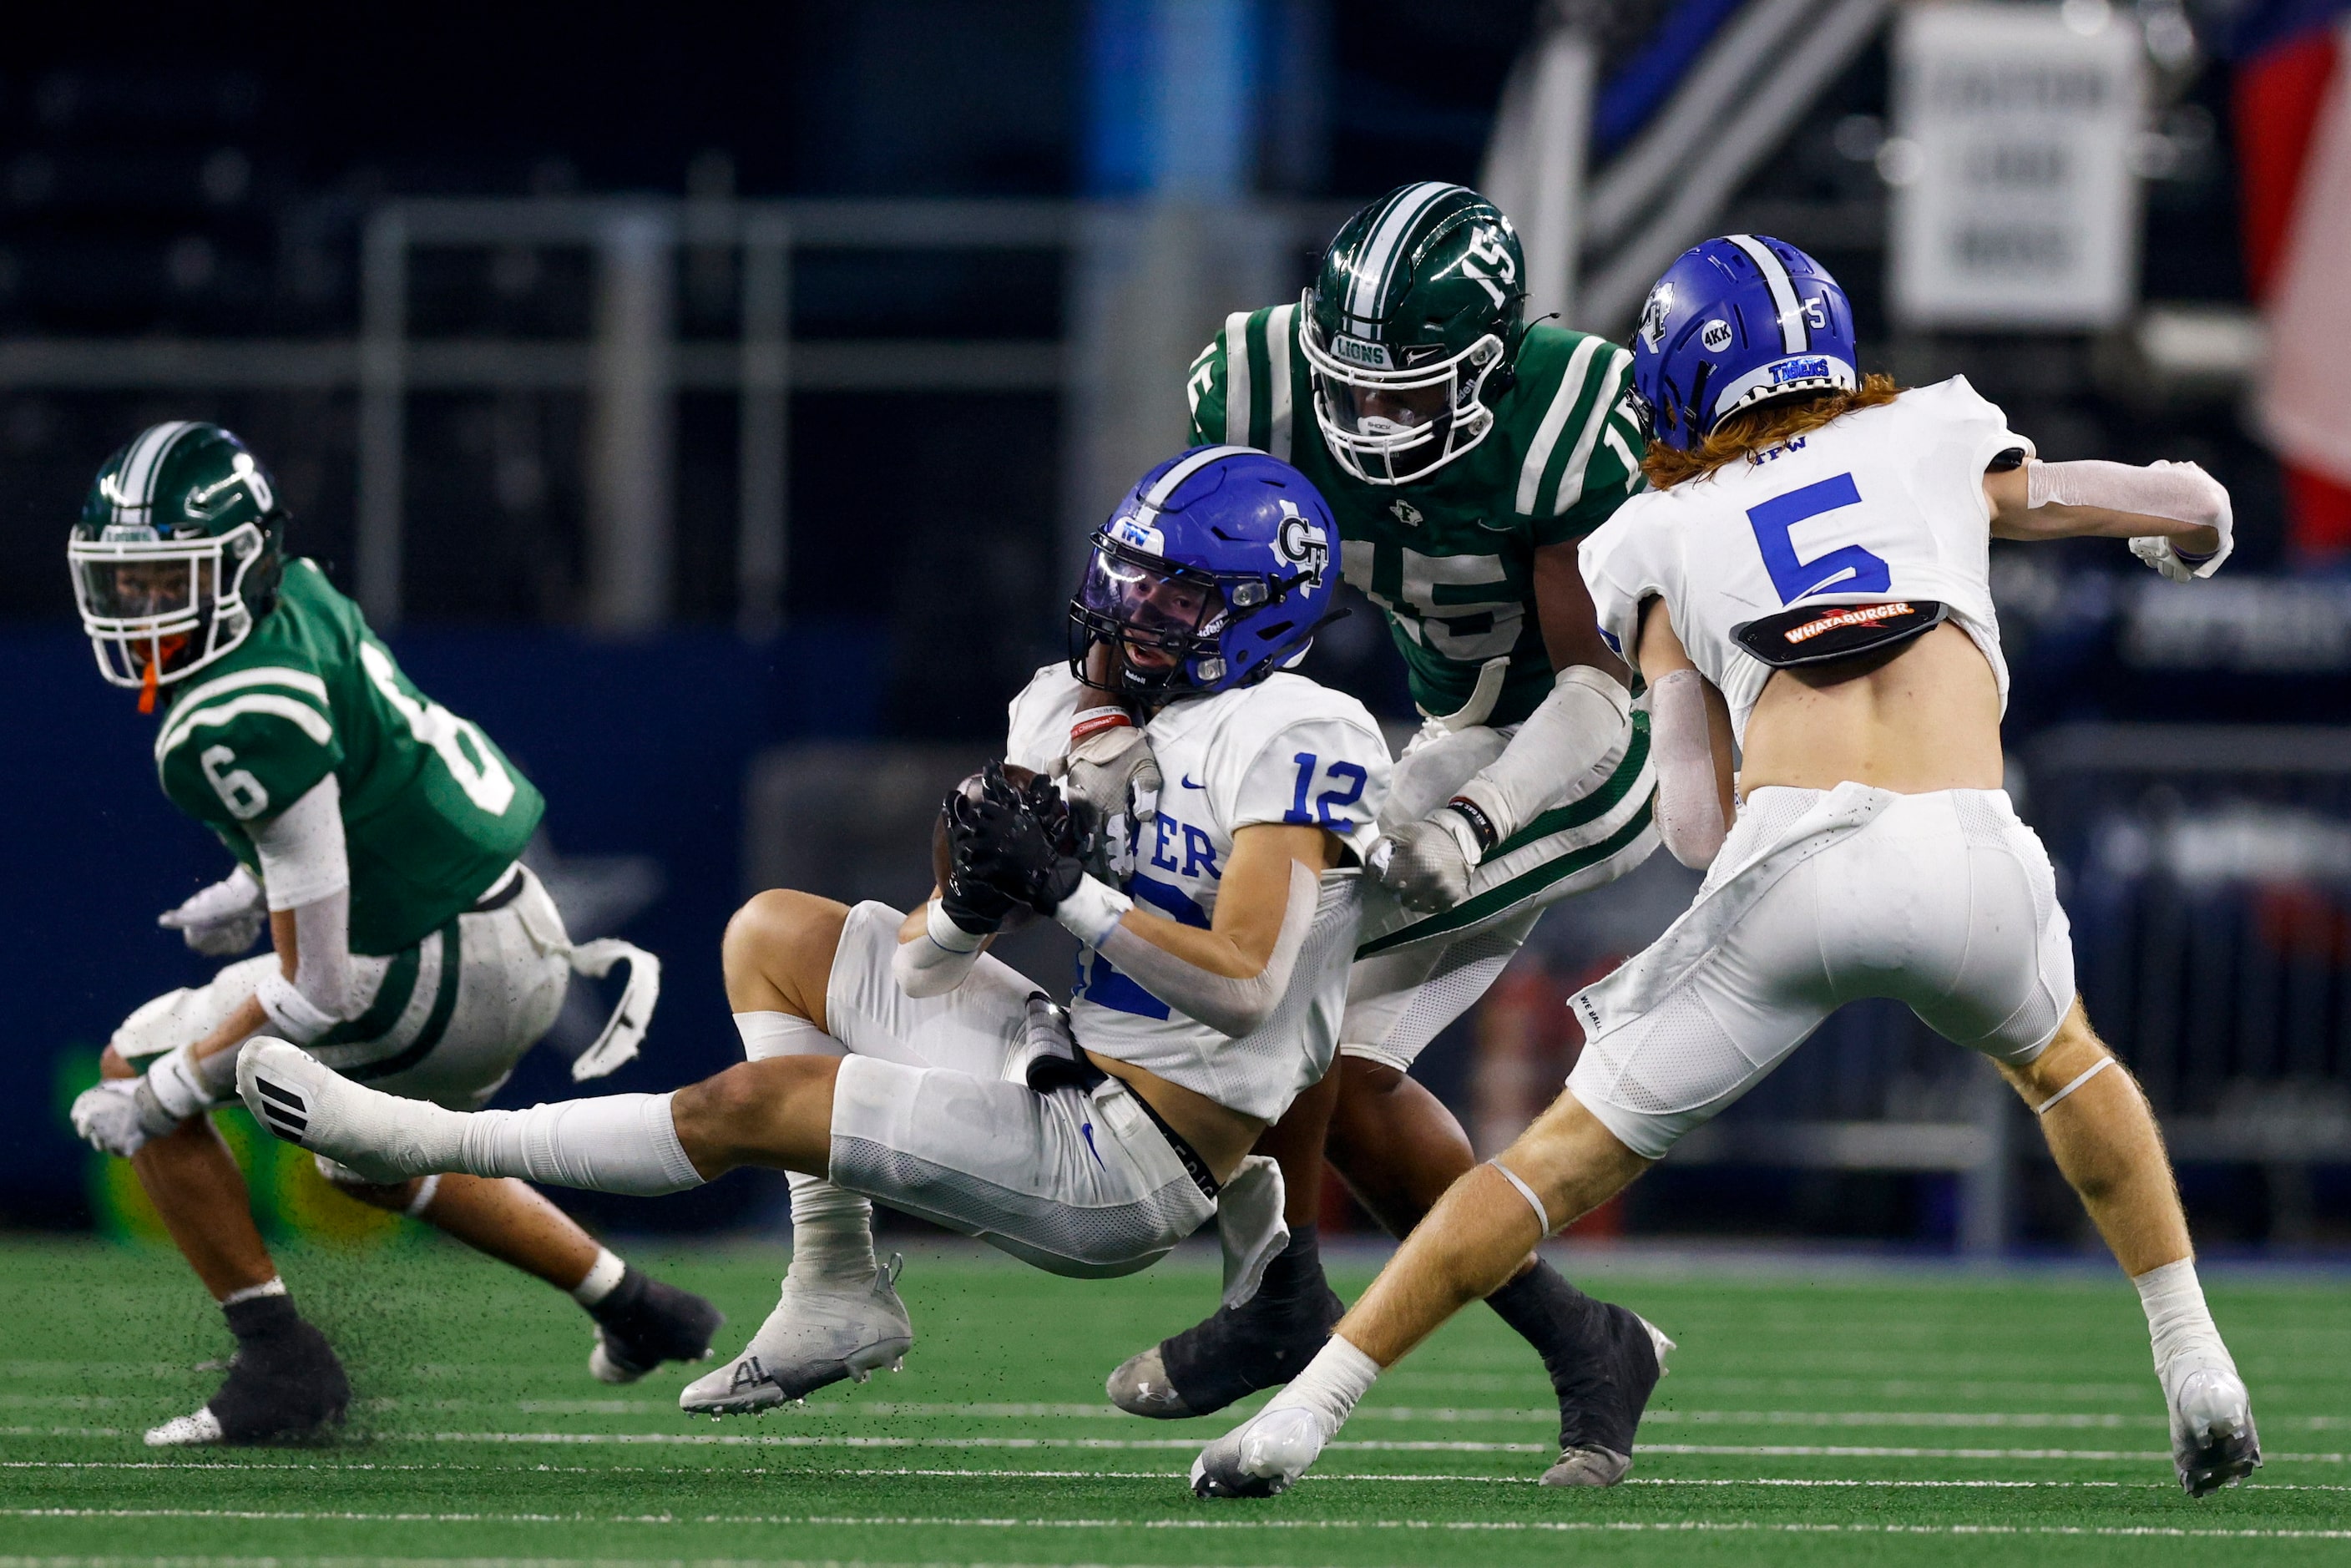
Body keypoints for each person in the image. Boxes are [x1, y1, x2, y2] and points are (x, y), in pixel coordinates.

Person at [1186, 235, 2261, 1500]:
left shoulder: (1654, 526)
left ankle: (1297, 1422)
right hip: (1970, 850)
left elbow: (1694, 821)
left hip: (1794, 864)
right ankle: (2200, 1369)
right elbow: (2164, 498)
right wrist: (2197, 523)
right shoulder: (1931, 428)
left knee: (1547, 1169)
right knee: (2070, 1070)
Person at [230, 446, 1396, 1415]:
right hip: (1075, 1060)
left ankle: (411, 1136)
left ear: (1262, 615)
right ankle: (837, 1282)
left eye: (1177, 599)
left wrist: (1071, 890)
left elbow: (1246, 984)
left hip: (1138, 1163)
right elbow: (926, 961)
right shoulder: (1068, 700)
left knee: (744, 1110)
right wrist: (982, 863)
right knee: (774, 933)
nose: (1136, 617)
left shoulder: (1297, 730)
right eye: (1129, 581)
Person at [1091, 181, 1666, 1486]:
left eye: (1411, 393)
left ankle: (1282, 1292)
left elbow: (1594, 685)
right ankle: (1587, 1344)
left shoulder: (1561, 417)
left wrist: (1474, 815)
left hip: (1566, 762)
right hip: (1435, 735)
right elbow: (1205, 589)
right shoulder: (1255, 383)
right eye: (1353, 386)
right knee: (1337, 1076)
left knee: (1283, 968)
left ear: (1491, 362)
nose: (1371, 418)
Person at [64, 422, 717, 1447]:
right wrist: (254, 880)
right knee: (365, 1156)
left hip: (433, 961)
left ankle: (280, 1364)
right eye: (130, 581)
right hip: (507, 924)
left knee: (133, 1058)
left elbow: (316, 985)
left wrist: (162, 1092)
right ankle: (633, 1303)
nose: (143, 606)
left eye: (169, 578)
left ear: (241, 564)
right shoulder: (305, 595)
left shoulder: (230, 716)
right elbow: (350, 775)